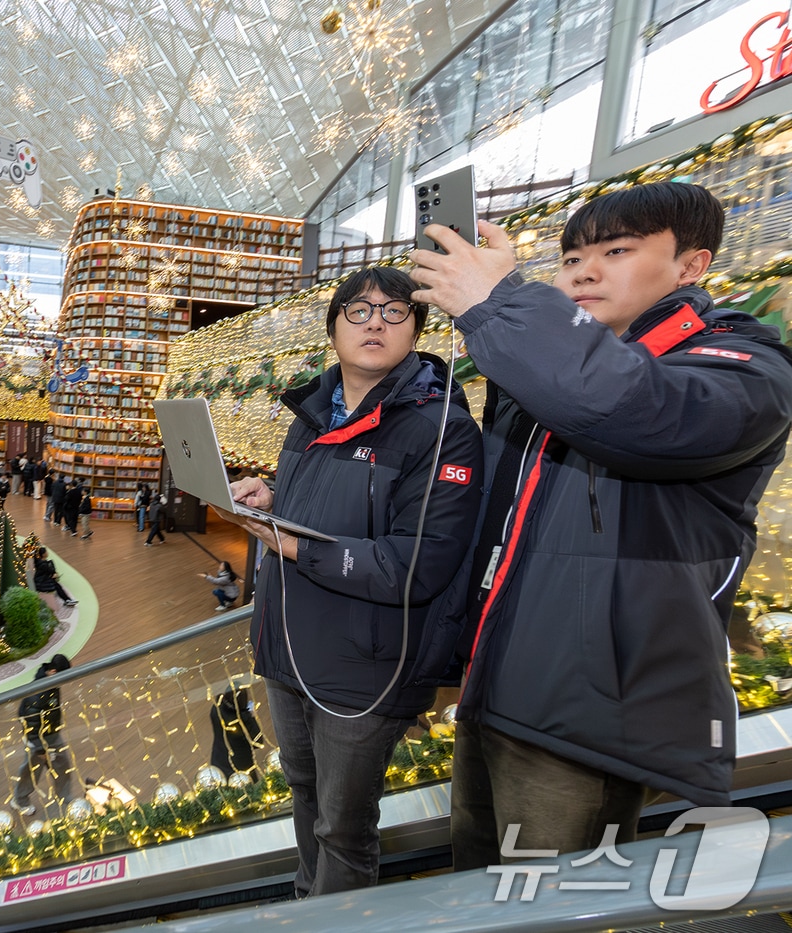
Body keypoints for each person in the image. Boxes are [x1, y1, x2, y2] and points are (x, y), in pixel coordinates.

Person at [409, 182, 792, 868]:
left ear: (691, 265)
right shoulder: (548, 376)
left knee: (548, 903)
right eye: (571, 258)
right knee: (476, 893)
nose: (584, 271)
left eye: (617, 250)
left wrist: (503, 305)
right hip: (495, 685)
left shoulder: (742, 364)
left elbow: (632, 408)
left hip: (588, 713)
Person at [221, 265, 483, 897]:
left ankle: (338, 914)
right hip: (287, 646)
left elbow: (413, 566)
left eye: (395, 313)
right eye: (358, 311)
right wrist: (274, 494)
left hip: (365, 665)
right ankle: (310, 904)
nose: (375, 323)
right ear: (333, 328)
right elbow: (339, 504)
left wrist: (292, 546)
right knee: (304, 794)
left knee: (343, 825)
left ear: (417, 330)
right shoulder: (312, 412)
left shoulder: (441, 429)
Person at [12, 654, 75, 816]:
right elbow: (31, 724)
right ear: (53, 671)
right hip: (37, 741)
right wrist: (40, 751)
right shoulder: (38, 694)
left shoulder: (52, 684)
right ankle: (20, 800)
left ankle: (65, 797)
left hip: (51, 734)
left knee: (62, 765)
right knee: (31, 771)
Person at [210, 681, 265, 781]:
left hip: (219, 763)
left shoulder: (216, 709)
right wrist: (252, 717)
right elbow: (258, 742)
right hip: (242, 770)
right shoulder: (244, 720)